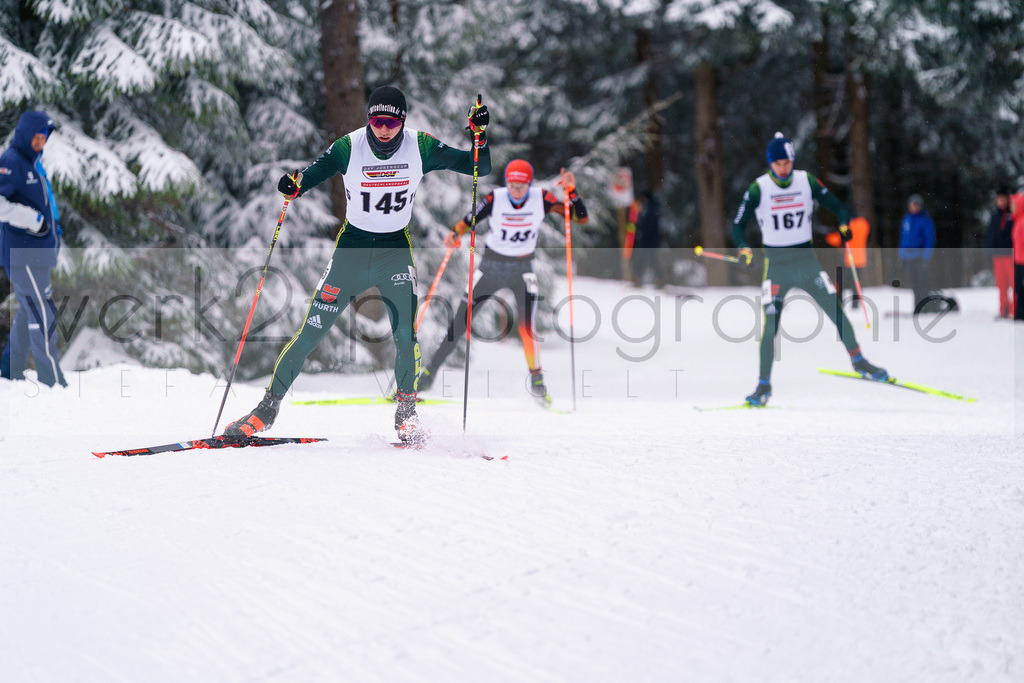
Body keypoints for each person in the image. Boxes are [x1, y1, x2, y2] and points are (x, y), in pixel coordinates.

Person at [224, 86, 490, 443]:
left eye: (391, 122)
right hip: (351, 251)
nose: (384, 129)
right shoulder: (349, 147)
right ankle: (266, 410)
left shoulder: (420, 146)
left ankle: (406, 414)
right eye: (377, 121)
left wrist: (479, 135)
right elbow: (310, 176)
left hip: (394, 252)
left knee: (405, 335)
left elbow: (478, 165)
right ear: (368, 119)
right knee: (310, 332)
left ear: (403, 121)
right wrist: (293, 186)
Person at [416, 160, 588, 407]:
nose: (515, 190)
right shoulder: (495, 198)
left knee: (526, 328)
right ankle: (428, 375)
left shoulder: (542, 198)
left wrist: (572, 192)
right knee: (461, 321)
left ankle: (537, 383)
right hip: (491, 267)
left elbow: (579, 218)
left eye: (521, 186)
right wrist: (455, 233)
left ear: (529, 184)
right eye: (512, 185)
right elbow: (468, 220)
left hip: (522, 269)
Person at [731, 132, 886, 406]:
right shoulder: (759, 188)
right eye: (778, 163)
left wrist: (844, 225)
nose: (783, 168)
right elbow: (737, 225)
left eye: (787, 162)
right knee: (770, 326)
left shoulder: (806, 181)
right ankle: (763, 386)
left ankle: (859, 362)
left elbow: (838, 208)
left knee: (836, 310)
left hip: (807, 264)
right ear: (770, 163)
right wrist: (743, 247)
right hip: (776, 268)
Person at [0, 110, 66, 388]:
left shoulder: (33, 164)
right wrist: (35, 221)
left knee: (30, 312)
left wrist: (53, 230)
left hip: (37, 252)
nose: (40, 143)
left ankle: (9, 372)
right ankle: (52, 379)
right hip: (22, 252)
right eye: (36, 137)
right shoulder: (11, 161)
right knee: (42, 312)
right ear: (25, 134)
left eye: (44, 138)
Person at [898, 193, 936, 314]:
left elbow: (929, 240)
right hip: (909, 257)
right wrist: (902, 256)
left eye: (916, 205)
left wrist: (926, 257)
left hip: (920, 257)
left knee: (923, 283)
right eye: (912, 205)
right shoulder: (907, 219)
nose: (914, 207)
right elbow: (904, 239)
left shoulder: (925, 220)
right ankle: (917, 307)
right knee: (914, 284)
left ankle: (925, 307)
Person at [824, 216, 869, 308]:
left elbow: (837, 239)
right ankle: (855, 305)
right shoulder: (864, 224)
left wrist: (829, 235)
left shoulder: (848, 226)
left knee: (840, 282)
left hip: (848, 258)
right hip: (860, 259)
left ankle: (840, 302)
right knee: (856, 283)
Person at [986, 188, 1014, 319]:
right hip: (997, 255)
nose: (1001, 201)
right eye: (999, 199)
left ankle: (1015, 310)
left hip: (1010, 254)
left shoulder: (1012, 214)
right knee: (1001, 285)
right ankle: (1004, 310)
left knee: (1014, 283)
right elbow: (990, 235)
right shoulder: (994, 216)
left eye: (1003, 198)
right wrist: (989, 250)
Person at [632, 189, 664, 287]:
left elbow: (649, 224)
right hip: (649, 239)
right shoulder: (652, 207)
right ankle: (656, 279)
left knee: (649, 259)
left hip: (650, 240)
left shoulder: (650, 208)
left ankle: (657, 280)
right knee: (647, 259)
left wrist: (639, 228)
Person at [1011, 190, 1024, 321]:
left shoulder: (1022, 222)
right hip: (1019, 260)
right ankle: (1019, 313)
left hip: (1022, 261)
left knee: (1021, 289)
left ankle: (1020, 314)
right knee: (1019, 288)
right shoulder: (1018, 221)